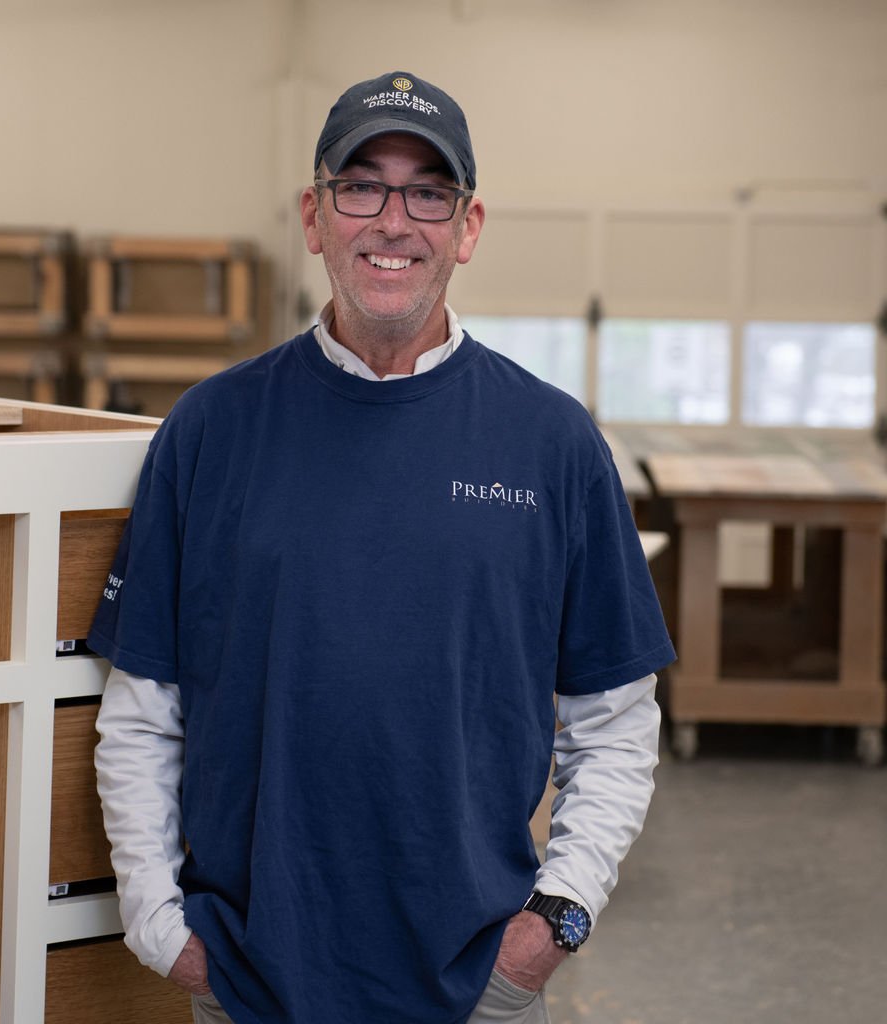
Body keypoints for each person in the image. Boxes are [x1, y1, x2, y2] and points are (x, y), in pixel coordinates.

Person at [90, 70, 675, 1024]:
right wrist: (162, 930)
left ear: (468, 226)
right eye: (360, 186)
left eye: (427, 192)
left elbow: (614, 718)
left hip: (475, 984)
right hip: (249, 982)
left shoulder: (553, 444)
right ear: (314, 217)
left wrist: (552, 927)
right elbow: (145, 709)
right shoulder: (210, 432)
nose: (392, 221)